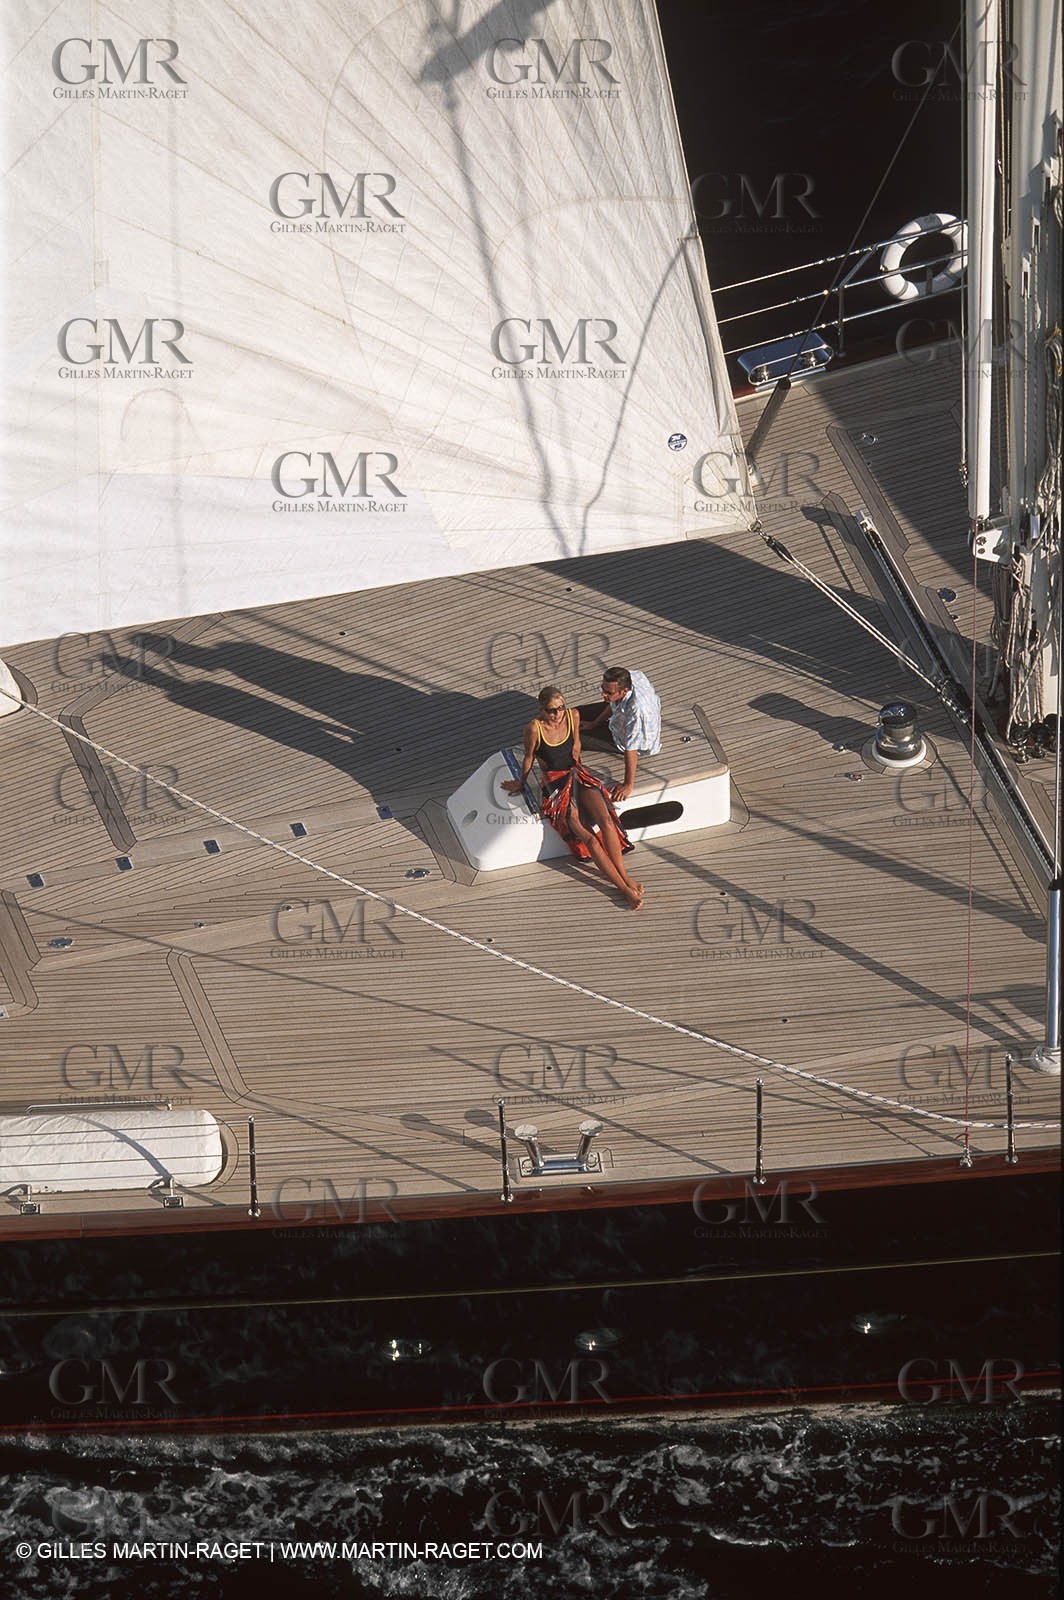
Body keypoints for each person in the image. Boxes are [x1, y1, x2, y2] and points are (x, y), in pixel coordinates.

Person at [502, 685, 645, 910]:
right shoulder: (534, 729)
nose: (557, 715)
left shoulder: (573, 716)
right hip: (554, 783)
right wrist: (521, 782)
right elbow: (529, 758)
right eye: (551, 711)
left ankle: (626, 878)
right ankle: (623, 889)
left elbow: (576, 745)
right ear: (541, 710)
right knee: (588, 837)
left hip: (576, 772)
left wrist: (578, 772)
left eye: (560, 708)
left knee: (606, 821)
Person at [577, 667, 662, 802]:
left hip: (625, 739)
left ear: (625, 691)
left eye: (608, 692)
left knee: (574, 738)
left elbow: (631, 748)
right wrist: (593, 724)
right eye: (603, 689)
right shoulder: (633, 677)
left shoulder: (637, 712)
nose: (603, 695)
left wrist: (628, 785)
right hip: (619, 719)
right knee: (574, 714)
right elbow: (614, 705)